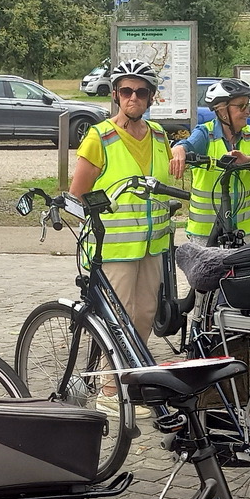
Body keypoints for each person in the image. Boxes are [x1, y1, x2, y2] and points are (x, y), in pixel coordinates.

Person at [69, 57, 174, 342]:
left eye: (141, 92)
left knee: (146, 315)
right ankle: (110, 373)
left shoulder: (158, 135)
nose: (133, 98)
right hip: (114, 249)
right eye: (126, 91)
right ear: (116, 94)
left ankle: (136, 369)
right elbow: (77, 195)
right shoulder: (100, 138)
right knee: (119, 318)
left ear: (151, 96)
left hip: (152, 245)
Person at [175, 79, 250, 240]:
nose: (247, 111)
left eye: (249, 105)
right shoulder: (205, 134)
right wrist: (178, 150)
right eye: (242, 106)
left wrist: (249, 159)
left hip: (244, 231)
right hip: (207, 232)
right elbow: (186, 146)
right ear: (222, 110)